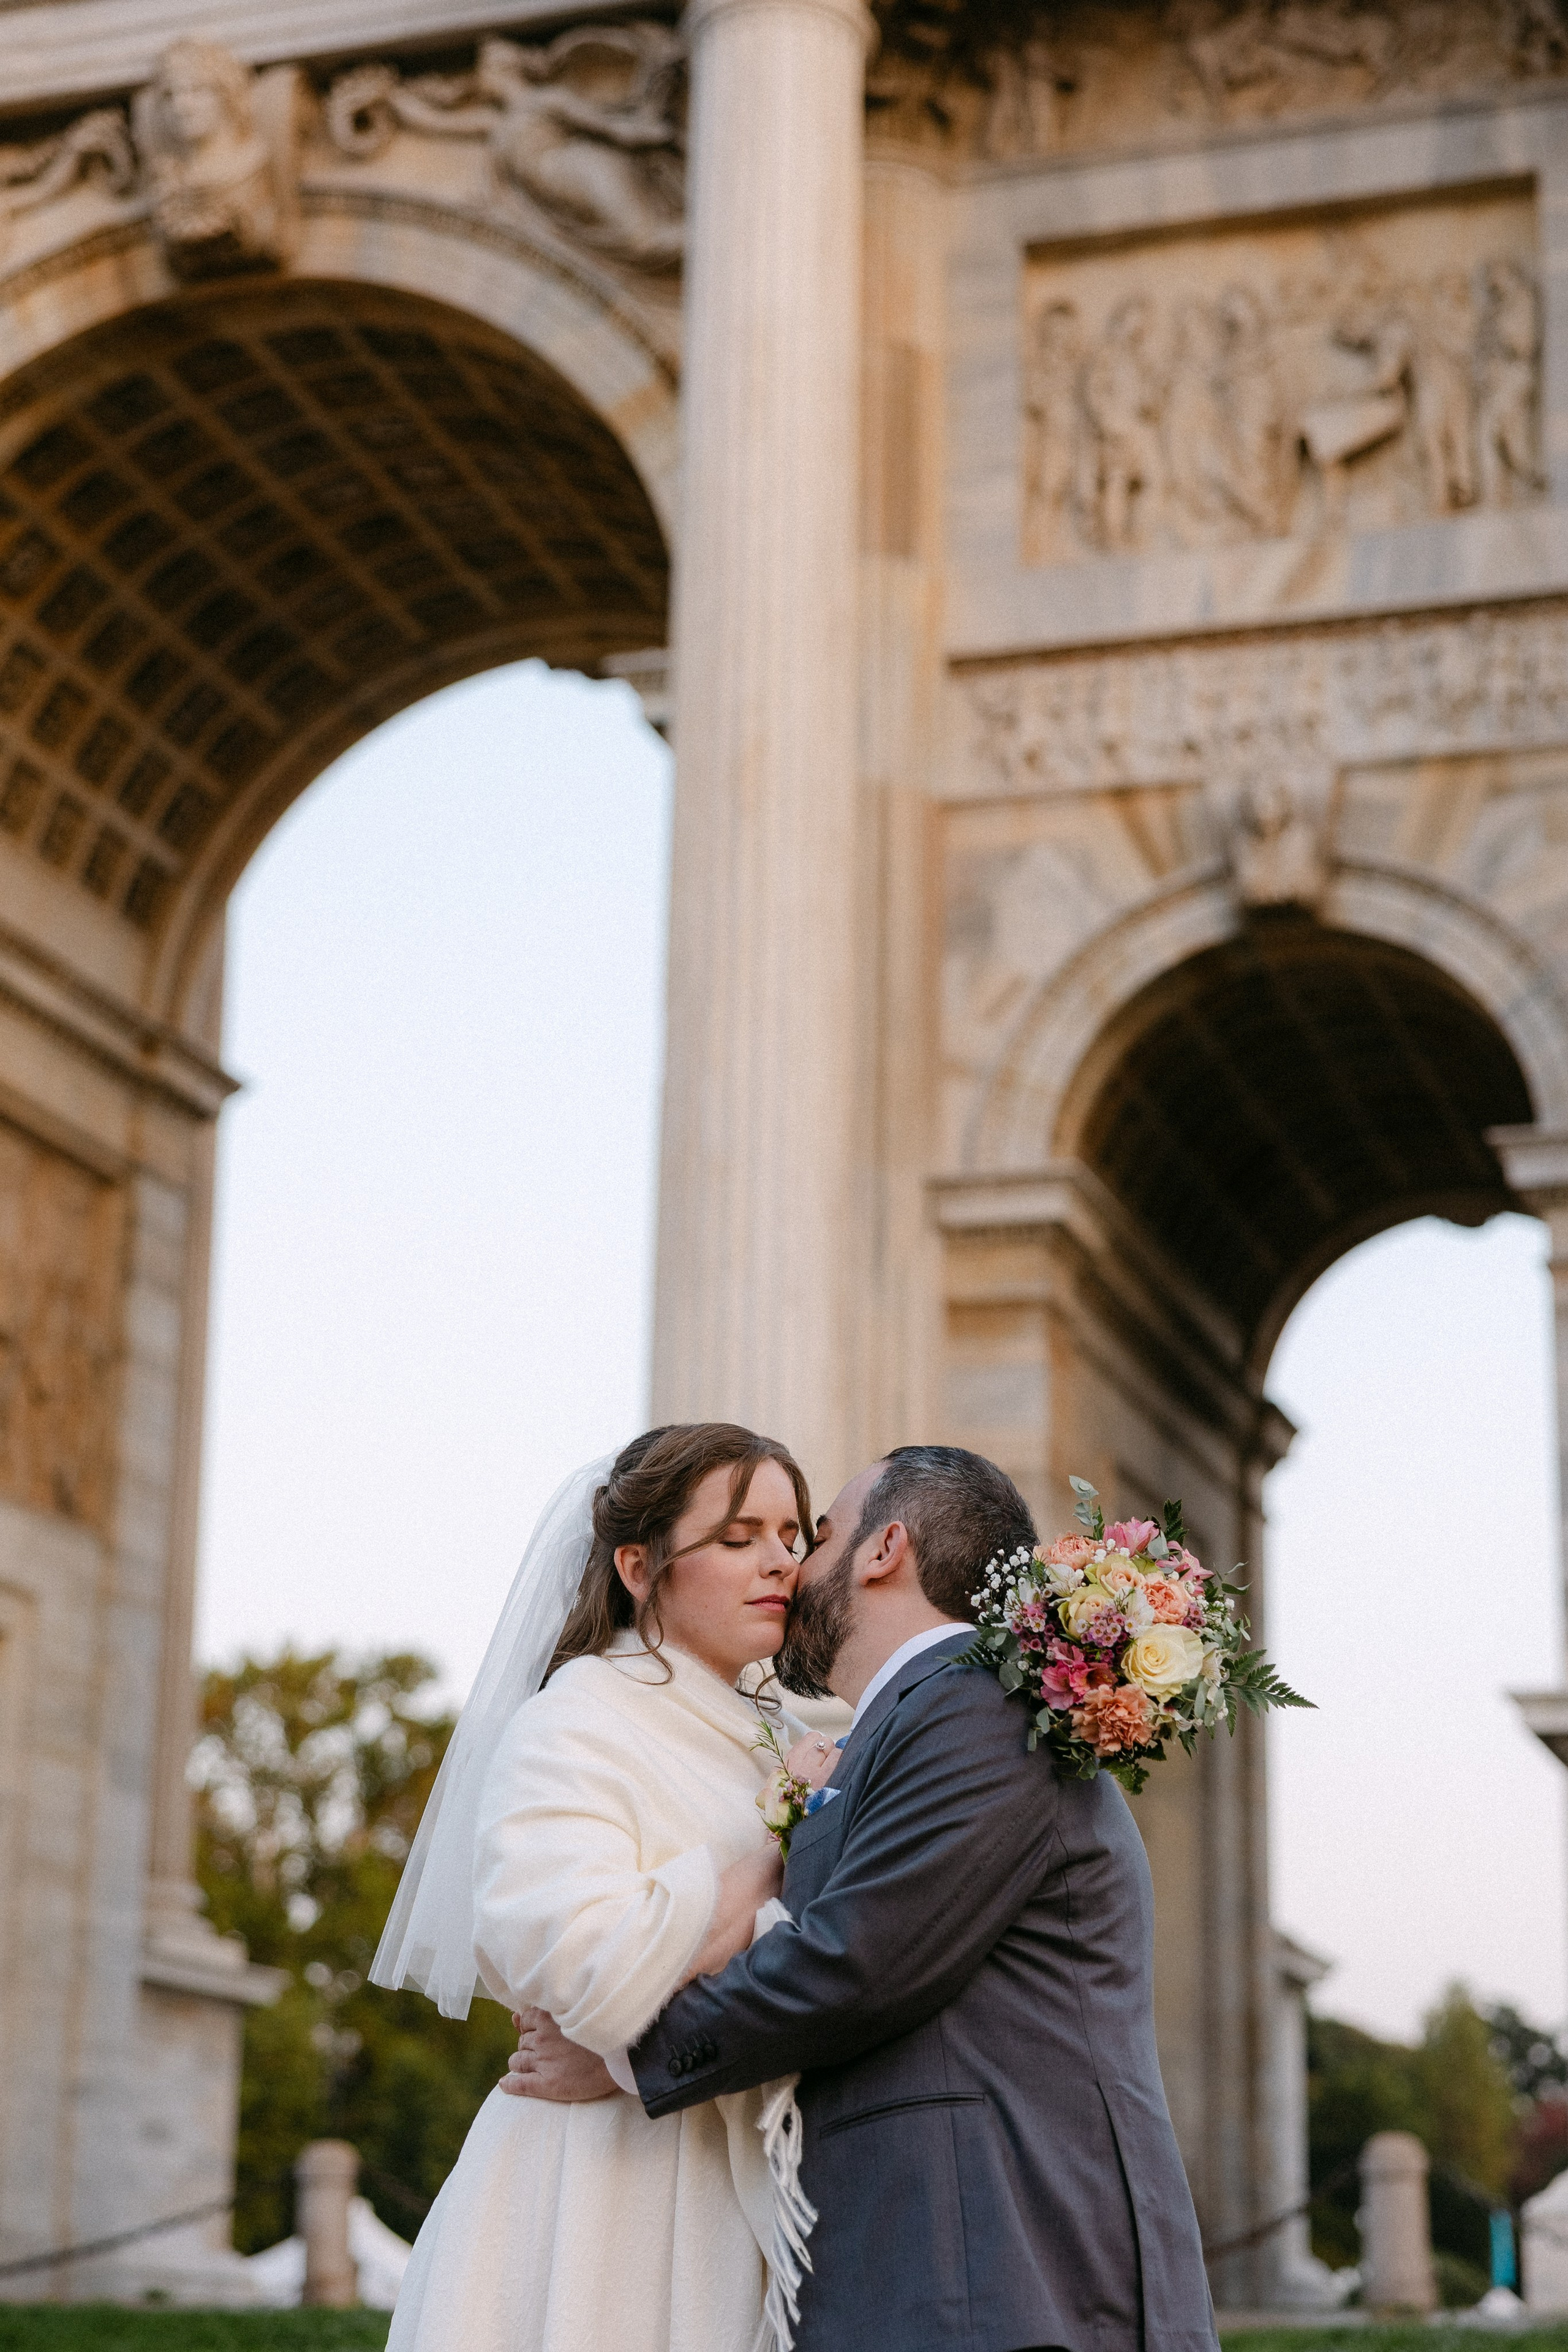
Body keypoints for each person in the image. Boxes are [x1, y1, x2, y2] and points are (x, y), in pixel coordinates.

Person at [507, 1444, 1220, 2352]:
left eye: (817, 1535)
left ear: (882, 1551)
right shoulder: (908, 1720)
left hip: (1003, 2269)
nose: (791, 1567)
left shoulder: (975, 1708)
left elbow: (856, 1962)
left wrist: (619, 2058)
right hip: (934, 2261)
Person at [371, 1422, 815, 2352]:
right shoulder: (573, 1723)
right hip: (600, 2190)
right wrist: (774, 1845)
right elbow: (589, 1971)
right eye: (740, 1539)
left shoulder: (799, 1729)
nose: (781, 1561)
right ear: (639, 1566)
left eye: (793, 1533)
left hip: (736, 2170)